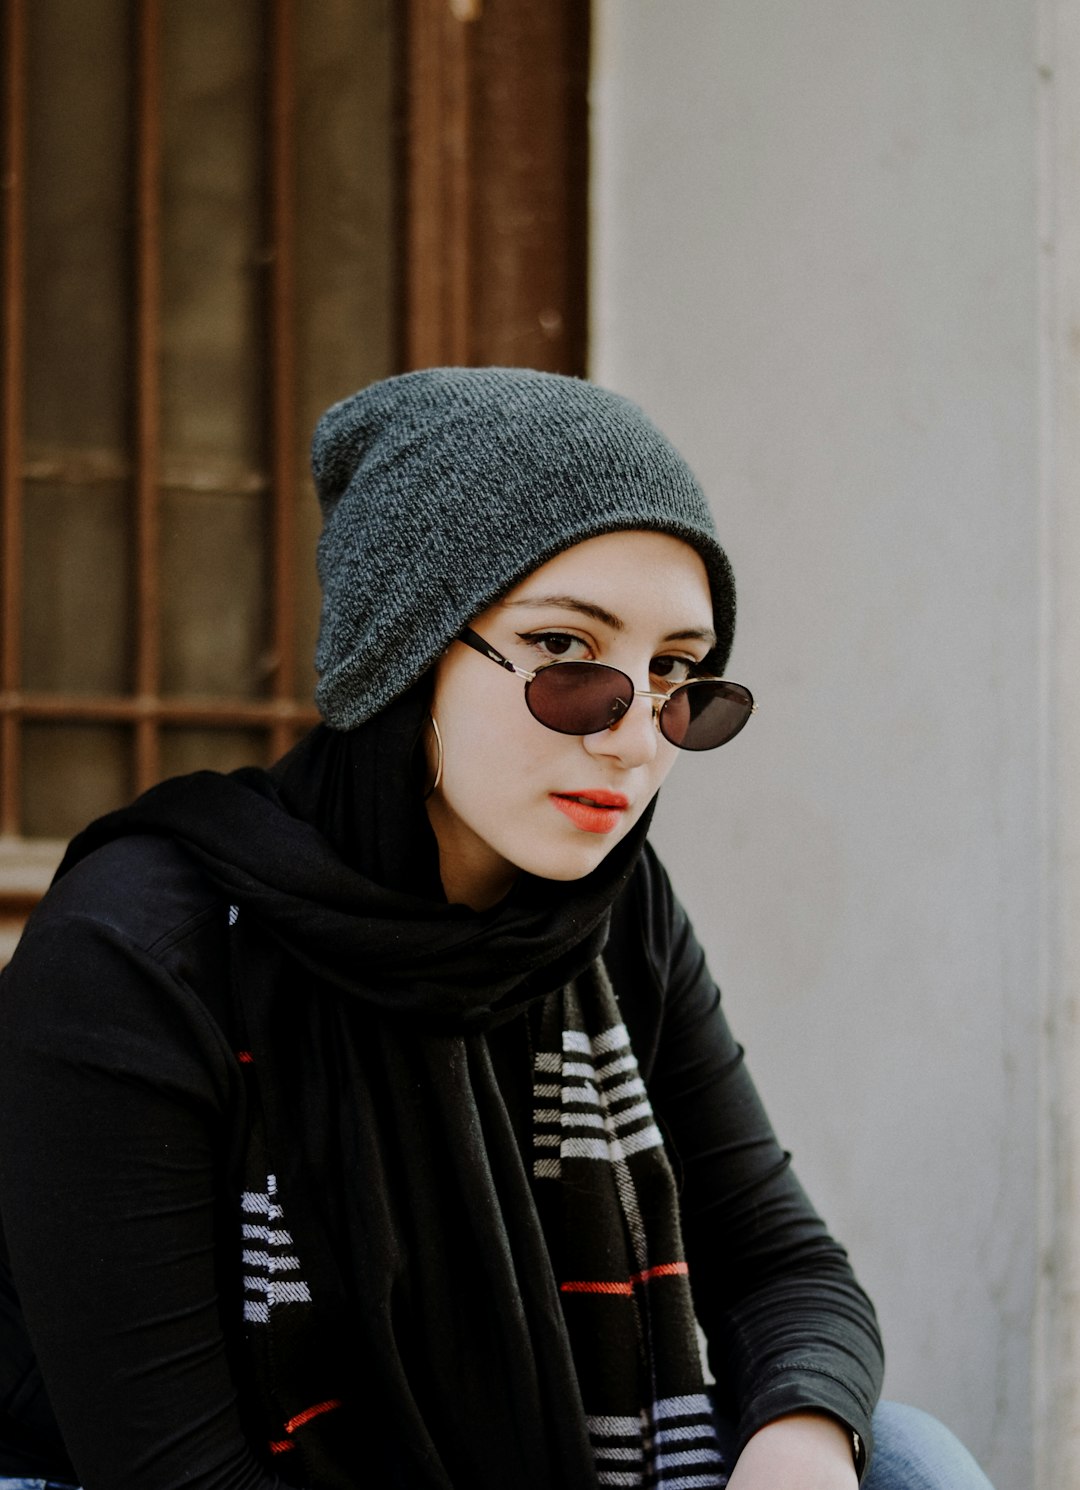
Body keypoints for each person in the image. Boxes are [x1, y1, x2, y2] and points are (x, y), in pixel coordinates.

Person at [0, 368, 993, 1490]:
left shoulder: (613, 912)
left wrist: (801, 1439)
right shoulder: (139, 949)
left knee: (903, 1455)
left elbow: (782, 1263)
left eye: (675, 673)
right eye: (568, 659)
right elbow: (171, 1466)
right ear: (405, 648)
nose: (634, 740)